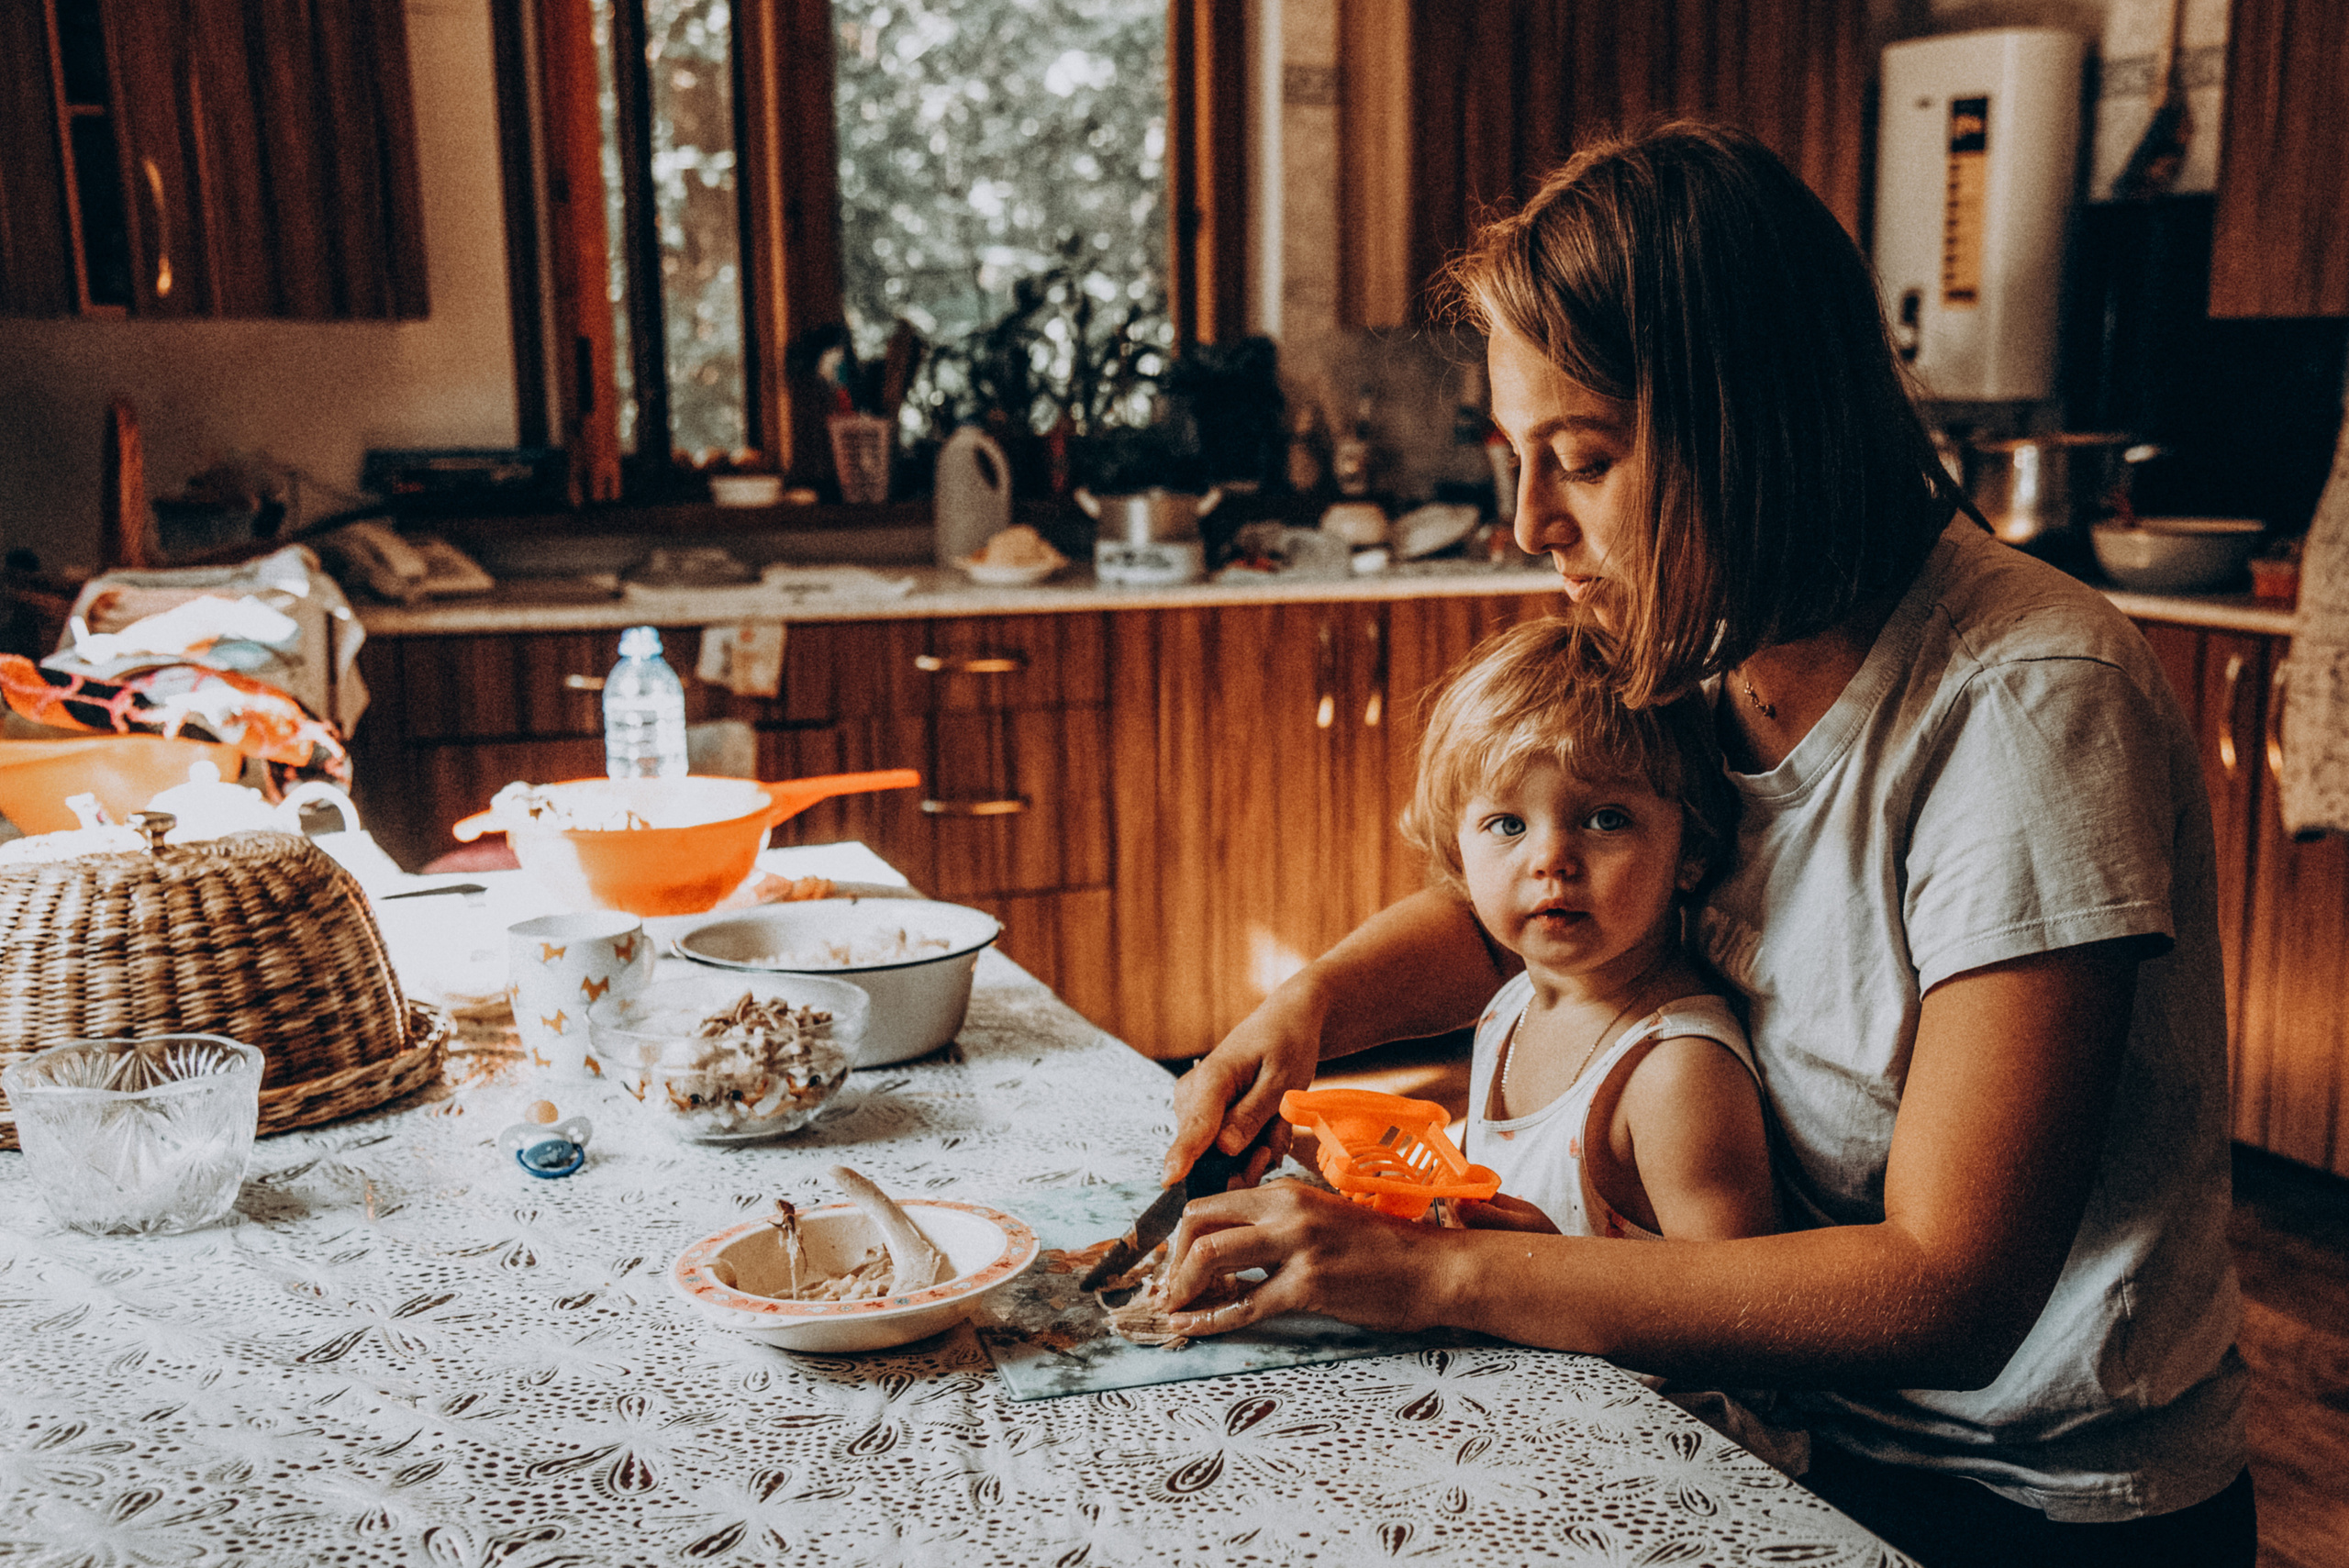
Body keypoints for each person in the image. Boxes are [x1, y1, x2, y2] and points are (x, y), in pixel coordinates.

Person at [1155, 123, 2253, 1567]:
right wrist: (1309, 1008)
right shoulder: (1698, 629)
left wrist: (1443, 1274)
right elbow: (1533, 902)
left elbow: (1951, 1287)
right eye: (1518, 458)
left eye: (1587, 458)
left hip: (2017, 1504)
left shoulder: (2026, 705)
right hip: (1777, 1422)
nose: (1533, 521)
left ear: (1751, 426)